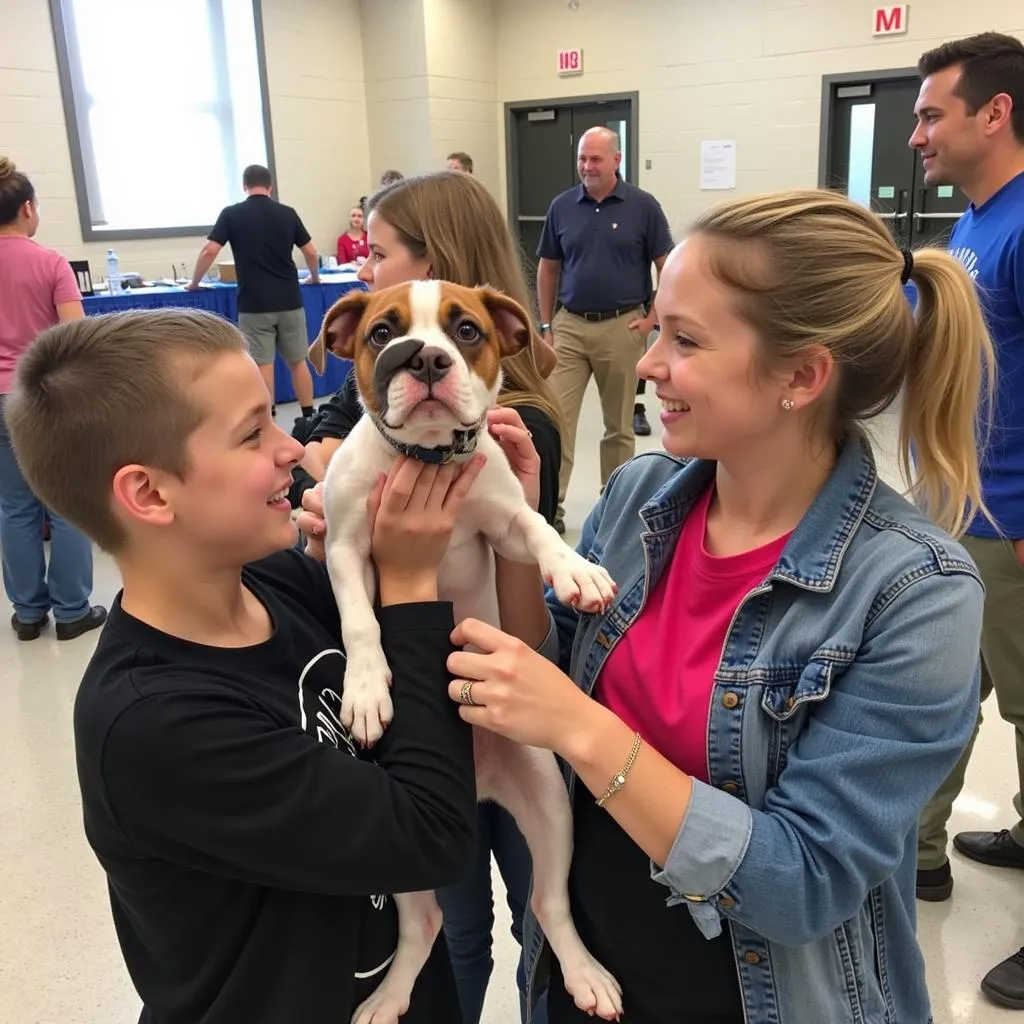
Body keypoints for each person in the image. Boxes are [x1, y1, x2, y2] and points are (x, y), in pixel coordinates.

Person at [416, 188, 992, 1022]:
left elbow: (802, 882)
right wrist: (513, 532)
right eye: (655, 329)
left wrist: (584, 728)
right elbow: (537, 672)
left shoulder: (915, 591)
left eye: (684, 341)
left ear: (803, 375)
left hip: (758, 997)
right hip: (586, 975)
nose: (648, 365)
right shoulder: (641, 495)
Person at [4, 306, 483, 1023]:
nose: (292, 449)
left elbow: (448, 673)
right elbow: (432, 835)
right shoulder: (155, 726)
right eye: (253, 433)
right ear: (149, 493)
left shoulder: (278, 581)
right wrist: (410, 586)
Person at [303, 169, 560, 1024]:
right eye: (382, 330)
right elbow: (340, 543)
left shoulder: (515, 435)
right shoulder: (364, 425)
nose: (365, 269)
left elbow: (532, 622)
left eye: (376, 255)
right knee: (454, 921)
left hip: (501, 687)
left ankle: (551, 961)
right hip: (411, 708)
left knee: (542, 910)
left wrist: (531, 523)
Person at [909, 31, 1024, 1009]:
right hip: (962, 497)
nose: (916, 135)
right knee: (948, 682)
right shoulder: (973, 225)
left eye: (930, 113)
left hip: (1016, 513)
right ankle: (926, 851)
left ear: (994, 113)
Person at [536, 127, 673, 533]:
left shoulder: (643, 207)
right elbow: (548, 267)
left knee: (619, 427)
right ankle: (550, 510)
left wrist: (652, 320)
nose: (587, 166)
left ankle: (613, 507)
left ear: (616, 160)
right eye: (582, 159)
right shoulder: (562, 207)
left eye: (595, 159)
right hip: (570, 328)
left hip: (622, 326)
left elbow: (667, 265)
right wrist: (547, 325)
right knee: (555, 420)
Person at [0, 156, 105, 642]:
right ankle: (71, 611)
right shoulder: (50, 263)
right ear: (26, 209)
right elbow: (75, 335)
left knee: (13, 507)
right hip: (41, 397)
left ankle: (26, 614)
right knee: (64, 502)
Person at [186, 164, 320, 419]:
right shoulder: (287, 213)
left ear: (244, 186)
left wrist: (194, 283)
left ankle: (268, 417)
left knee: (263, 363)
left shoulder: (231, 214)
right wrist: (314, 277)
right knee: (298, 361)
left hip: (254, 303)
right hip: (290, 299)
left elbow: (210, 251)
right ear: (270, 186)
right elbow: (311, 252)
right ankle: (308, 414)